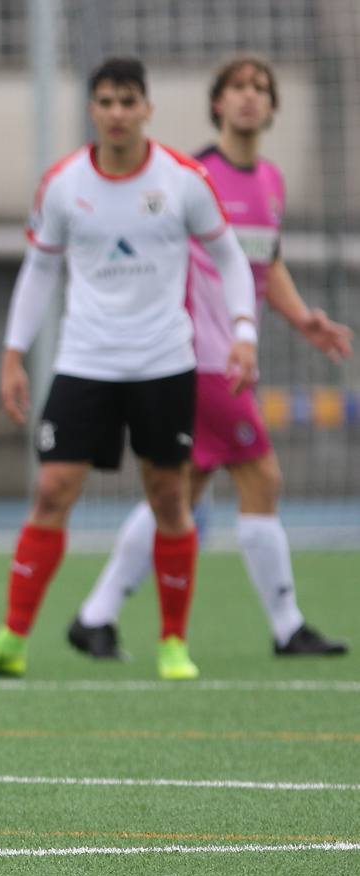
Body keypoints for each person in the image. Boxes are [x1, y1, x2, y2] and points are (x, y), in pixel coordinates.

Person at [0, 57, 259, 680]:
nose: (117, 113)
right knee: (51, 489)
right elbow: (39, 270)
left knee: (169, 496)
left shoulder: (183, 180)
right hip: (85, 361)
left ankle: (174, 643)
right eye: (106, 102)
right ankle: (12, 640)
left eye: (129, 101)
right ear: (92, 110)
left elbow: (229, 259)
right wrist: (13, 353)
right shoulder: (64, 185)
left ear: (147, 108)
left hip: (164, 363)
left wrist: (244, 333)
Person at [67, 55, 351, 661]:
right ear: (216, 103)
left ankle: (97, 615)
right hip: (194, 359)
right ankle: (286, 626)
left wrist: (302, 319)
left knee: (183, 491)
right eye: (237, 88)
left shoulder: (270, 180)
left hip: (228, 357)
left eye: (261, 89)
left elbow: (260, 262)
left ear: (273, 108)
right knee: (261, 478)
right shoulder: (193, 177)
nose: (250, 98)